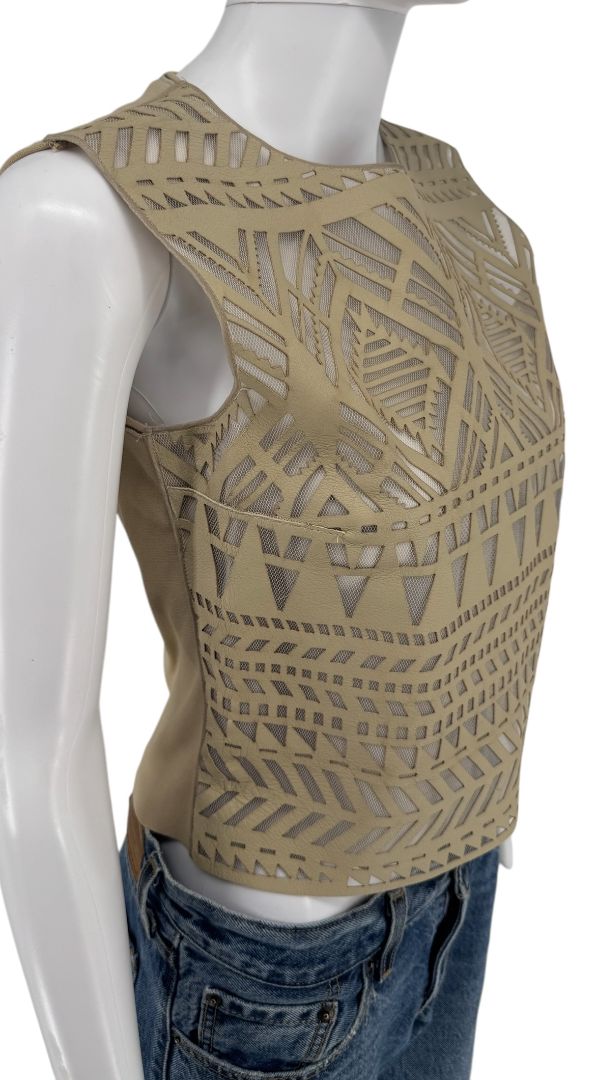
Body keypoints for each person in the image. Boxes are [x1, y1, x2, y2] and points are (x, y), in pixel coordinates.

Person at [0, 1, 565, 1077]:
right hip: (265, 984)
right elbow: (29, 744)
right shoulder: (84, 217)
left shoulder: (462, 209)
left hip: (455, 905)